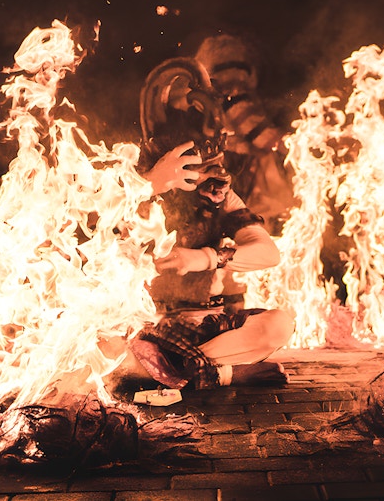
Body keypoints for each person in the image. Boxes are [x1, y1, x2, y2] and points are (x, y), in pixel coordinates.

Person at [108, 57, 294, 391]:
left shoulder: (220, 197)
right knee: (103, 351)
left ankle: (182, 370)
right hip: (153, 326)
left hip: (208, 327)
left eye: (213, 165)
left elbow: (268, 254)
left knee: (278, 325)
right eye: (196, 166)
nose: (211, 175)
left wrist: (205, 258)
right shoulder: (136, 192)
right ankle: (224, 374)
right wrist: (151, 184)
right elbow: (97, 233)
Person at [194, 33, 295, 235]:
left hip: (231, 165)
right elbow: (260, 134)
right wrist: (297, 144)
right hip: (241, 167)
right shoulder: (233, 91)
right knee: (259, 220)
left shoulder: (216, 95)